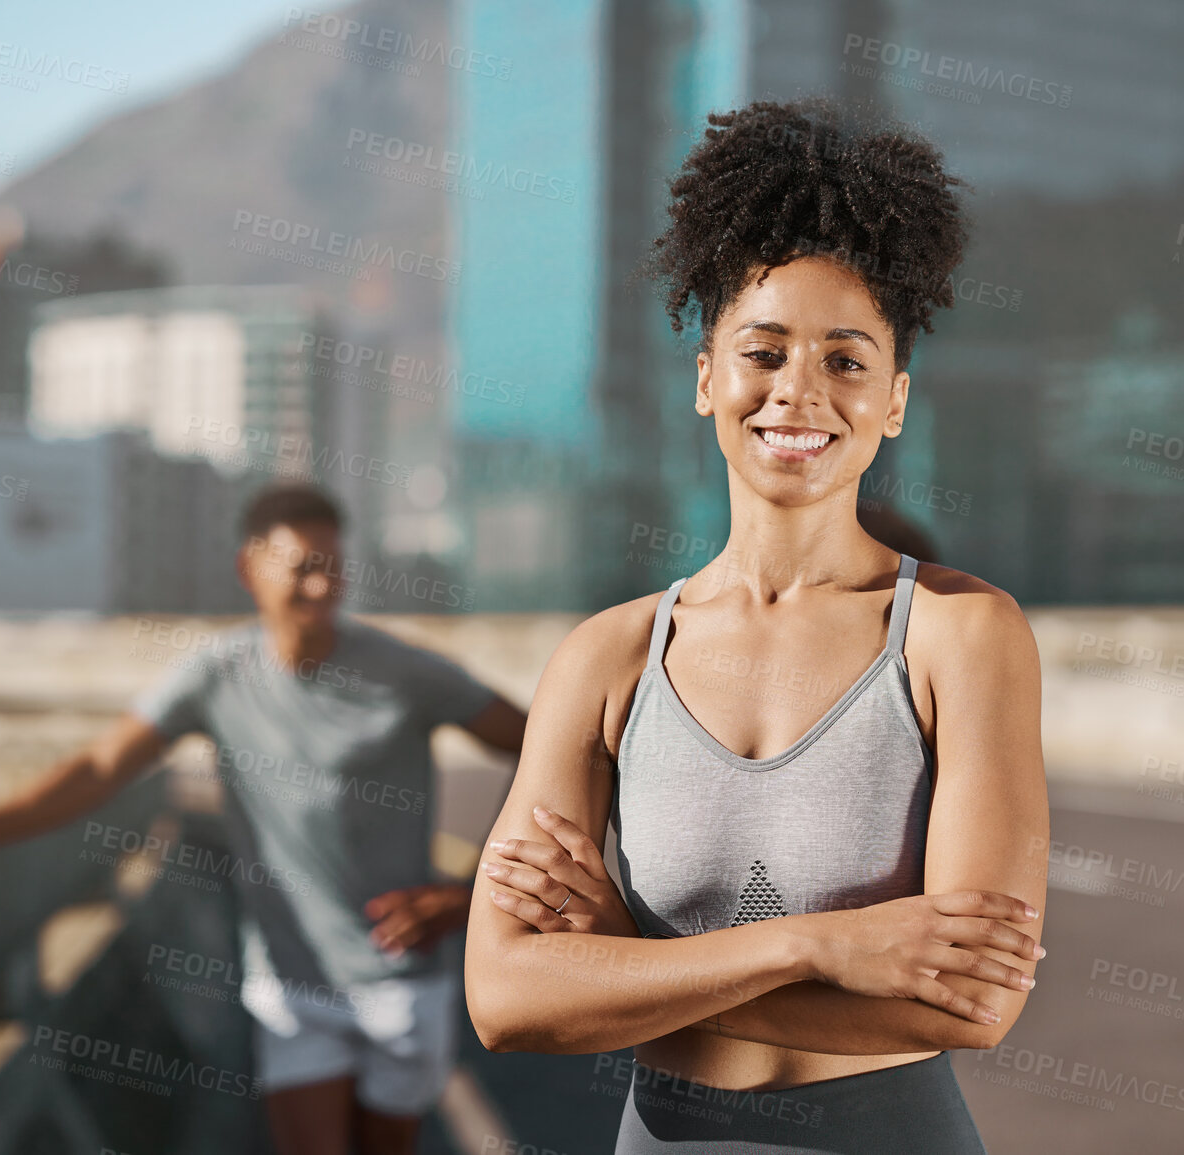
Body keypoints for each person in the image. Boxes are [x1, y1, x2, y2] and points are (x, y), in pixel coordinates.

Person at [464, 99, 1048, 1154]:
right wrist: (821, 948)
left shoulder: (960, 636)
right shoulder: (605, 660)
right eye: (764, 351)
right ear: (706, 380)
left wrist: (619, 963)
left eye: (846, 360)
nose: (798, 393)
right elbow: (505, 999)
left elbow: (972, 1004)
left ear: (896, 400)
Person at [0, 483, 527, 1155]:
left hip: (401, 978)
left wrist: (475, 893)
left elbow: (544, 745)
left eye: (332, 567)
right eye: (301, 566)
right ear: (249, 569)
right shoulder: (215, 675)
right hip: (290, 985)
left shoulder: (409, 671)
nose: (319, 586)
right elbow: (100, 768)